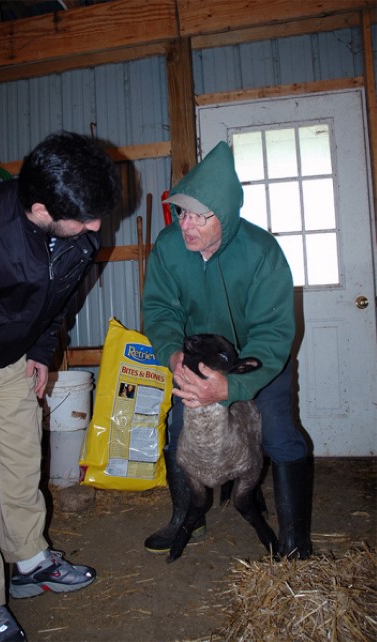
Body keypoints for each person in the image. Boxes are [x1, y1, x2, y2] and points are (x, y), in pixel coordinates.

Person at [0, 131, 121, 641]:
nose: (96, 228)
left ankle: (30, 561)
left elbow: (61, 299)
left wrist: (40, 350)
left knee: (20, 463)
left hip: (14, 355)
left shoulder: (82, 232)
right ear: (39, 209)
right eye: (85, 218)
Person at [142, 141, 312, 561]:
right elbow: (160, 310)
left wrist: (232, 387)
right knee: (180, 431)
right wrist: (172, 354)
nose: (186, 225)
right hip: (199, 358)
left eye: (199, 216)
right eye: (181, 212)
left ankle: (295, 540)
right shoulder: (168, 247)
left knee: (278, 434)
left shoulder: (262, 253)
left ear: (227, 215)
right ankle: (187, 516)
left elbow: (273, 334)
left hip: (258, 360)